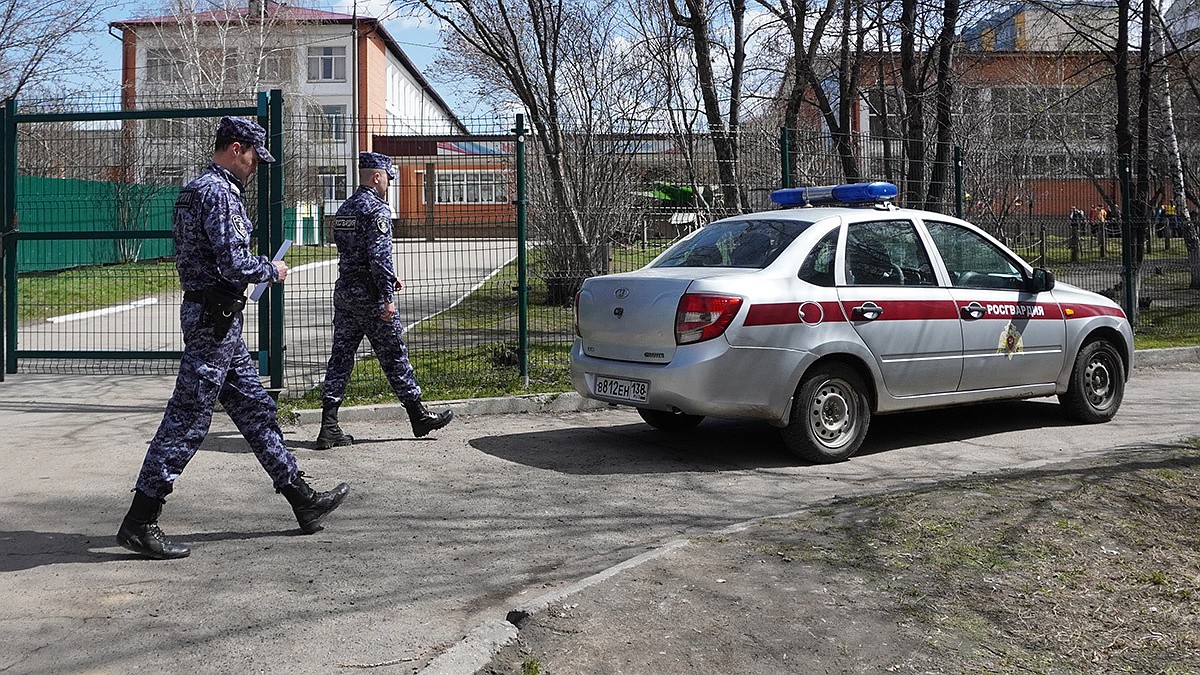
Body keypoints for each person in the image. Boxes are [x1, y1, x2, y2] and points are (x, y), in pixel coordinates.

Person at [117, 117, 349, 560]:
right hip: (214, 321)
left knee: (255, 410)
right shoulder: (220, 193)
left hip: (216, 318)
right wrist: (271, 270)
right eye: (253, 158)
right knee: (187, 419)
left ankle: (302, 499)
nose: (255, 167)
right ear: (236, 148)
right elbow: (233, 264)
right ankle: (140, 520)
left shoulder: (193, 190)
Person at [315, 152, 453, 449]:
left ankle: (328, 426)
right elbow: (378, 256)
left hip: (346, 293)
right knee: (394, 355)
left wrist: (389, 277)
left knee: (340, 358)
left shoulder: (345, 208)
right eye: (388, 177)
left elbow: (352, 254)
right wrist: (387, 295)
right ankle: (418, 416)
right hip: (372, 298)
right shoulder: (376, 210)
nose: (389, 183)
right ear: (376, 176)